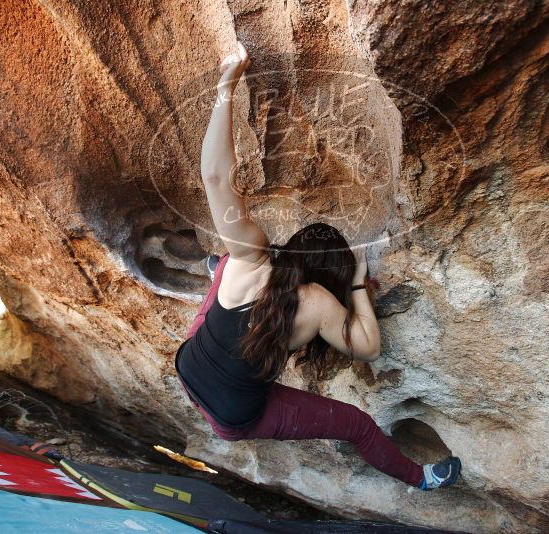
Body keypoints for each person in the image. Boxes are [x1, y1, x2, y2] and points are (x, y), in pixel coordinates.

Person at [174, 41, 461, 491]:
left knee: (231, 261)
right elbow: (367, 348)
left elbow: (215, 178)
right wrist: (359, 285)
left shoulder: (254, 257)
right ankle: (420, 479)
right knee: (357, 425)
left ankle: (218, 272)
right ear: (333, 279)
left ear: (291, 248)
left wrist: (225, 86)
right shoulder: (319, 304)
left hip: (187, 368)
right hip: (231, 418)